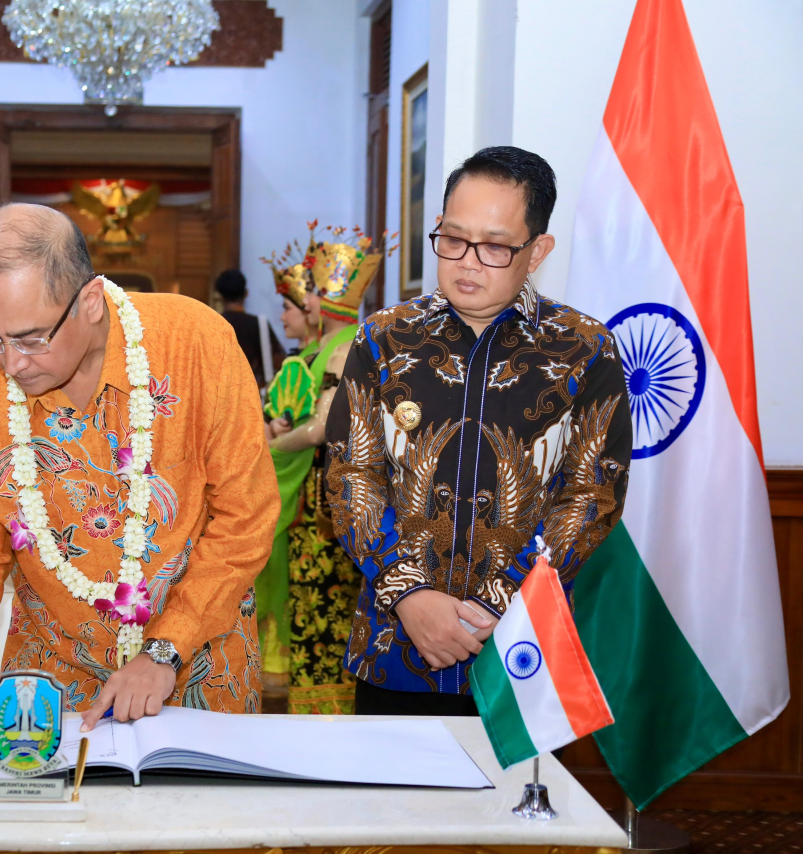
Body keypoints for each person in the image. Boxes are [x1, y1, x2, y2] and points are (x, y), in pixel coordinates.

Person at [0, 203, 276, 743]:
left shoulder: (195, 343)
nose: (11, 363)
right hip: (48, 682)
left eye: (30, 338)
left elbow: (246, 518)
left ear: (89, 301)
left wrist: (165, 649)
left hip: (199, 663)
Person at [324, 146, 631, 716]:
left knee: (514, 778)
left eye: (494, 246)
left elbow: (592, 494)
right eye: (453, 238)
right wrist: (409, 594)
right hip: (396, 645)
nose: (467, 262)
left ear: (537, 251)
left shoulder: (585, 350)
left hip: (520, 649)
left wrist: (498, 601)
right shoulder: (382, 340)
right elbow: (351, 477)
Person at [259, 227, 380, 714]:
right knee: (308, 605)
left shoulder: (345, 347)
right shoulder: (329, 345)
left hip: (327, 499)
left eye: (310, 290)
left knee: (324, 606)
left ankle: (329, 714)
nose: (303, 298)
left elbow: (324, 427)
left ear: (327, 300)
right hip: (311, 494)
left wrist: (269, 447)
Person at [216, 268, 283, 387]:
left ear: (220, 296)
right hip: (252, 391)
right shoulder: (259, 324)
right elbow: (278, 361)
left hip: (220, 391)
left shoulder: (213, 325)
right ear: (246, 293)